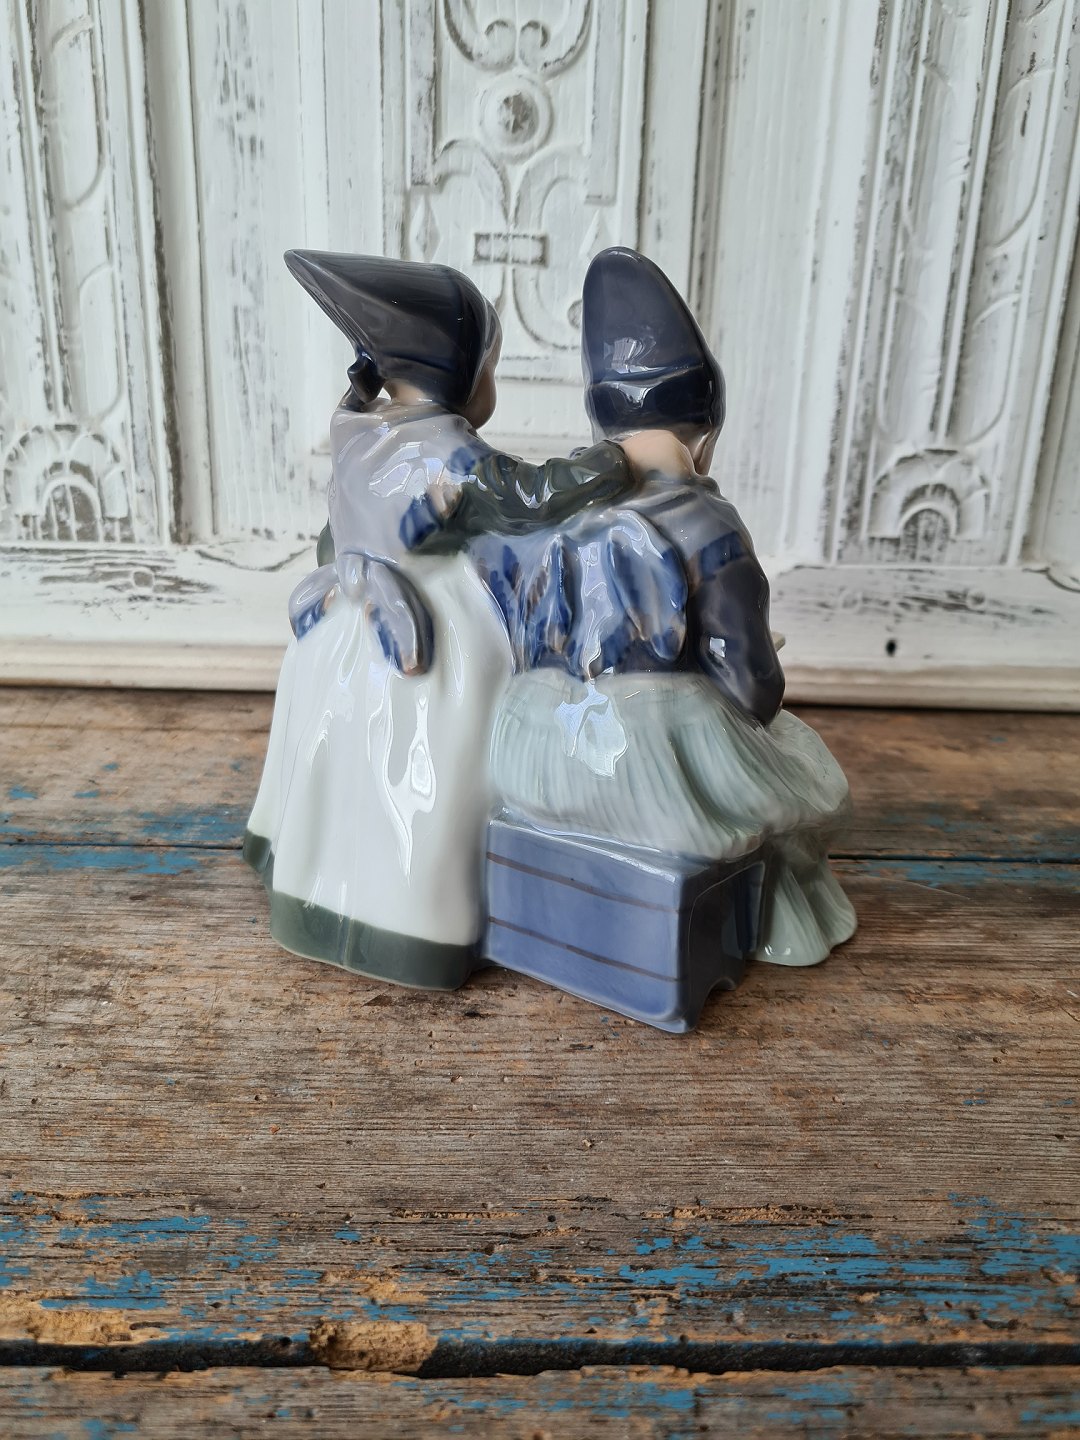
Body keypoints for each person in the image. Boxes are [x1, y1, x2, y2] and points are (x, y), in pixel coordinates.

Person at [245, 251, 636, 988]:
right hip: (423, 627)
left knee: (338, 755)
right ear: (460, 371)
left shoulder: (356, 428)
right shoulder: (448, 452)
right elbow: (528, 496)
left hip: (344, 619)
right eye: (491, 366)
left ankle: (312, 884)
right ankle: (410, 922)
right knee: (429, 752)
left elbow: (339, 532)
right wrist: (606, 466)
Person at [486, 248, 856, 969]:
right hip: (643, 765)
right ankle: (779, 923)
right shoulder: (709, 525)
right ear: (705, 439)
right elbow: (752, 683)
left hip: (529, 751)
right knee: (797, 772)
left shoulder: (555, 514)